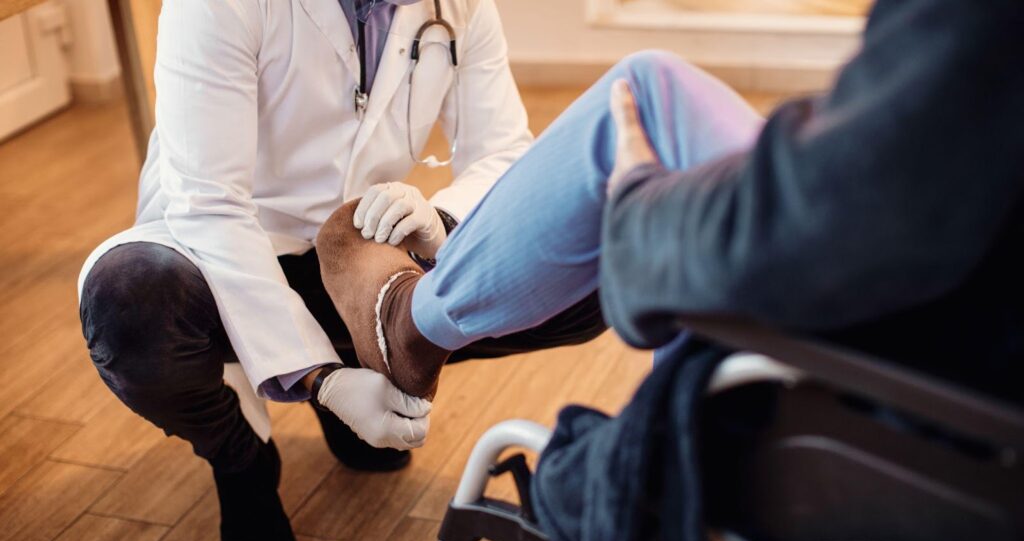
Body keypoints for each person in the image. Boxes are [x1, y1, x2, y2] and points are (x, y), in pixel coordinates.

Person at [77, 0, 605, 541]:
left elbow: (502, 151)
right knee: (127, 302)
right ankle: (240, 457)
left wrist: (443, 222)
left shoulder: (458, 6)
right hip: (223, 254)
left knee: (591, 273)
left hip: (356, 256)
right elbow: (211, 206)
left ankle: (367, 351)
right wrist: (320, 379)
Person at [319, 0, 1024, 411]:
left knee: (641, 116)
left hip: (929, 362)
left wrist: (644, 211)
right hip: (967, 312)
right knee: (653, 88)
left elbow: (849, 214)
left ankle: (414, 324)